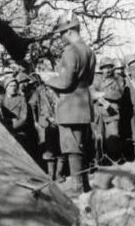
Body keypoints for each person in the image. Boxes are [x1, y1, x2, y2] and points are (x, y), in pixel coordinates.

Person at [40, 12, 96, 194]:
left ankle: (77, 187)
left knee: (72, 149)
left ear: (71, 30)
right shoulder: (89, 51)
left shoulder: (71, 51)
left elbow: (65, 83)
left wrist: (48, 79)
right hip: (84, 105)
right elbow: (89, 79)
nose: (61, 37)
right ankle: (84, 185)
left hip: (70, 106)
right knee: (82, 147)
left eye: (62, 33)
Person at [91, 57, 124, 162]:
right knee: (98, 142)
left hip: (112, 114)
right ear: (101, 69)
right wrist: (94, 94)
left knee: (113, 140)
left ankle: (115, 163)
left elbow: (118, 94)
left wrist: (102, 94)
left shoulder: (118, 79)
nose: (108, 70)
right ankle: (100, 164)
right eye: (105, 68)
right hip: (98, 114)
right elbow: (91, 91)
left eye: (110, 67)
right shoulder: (96, 79)